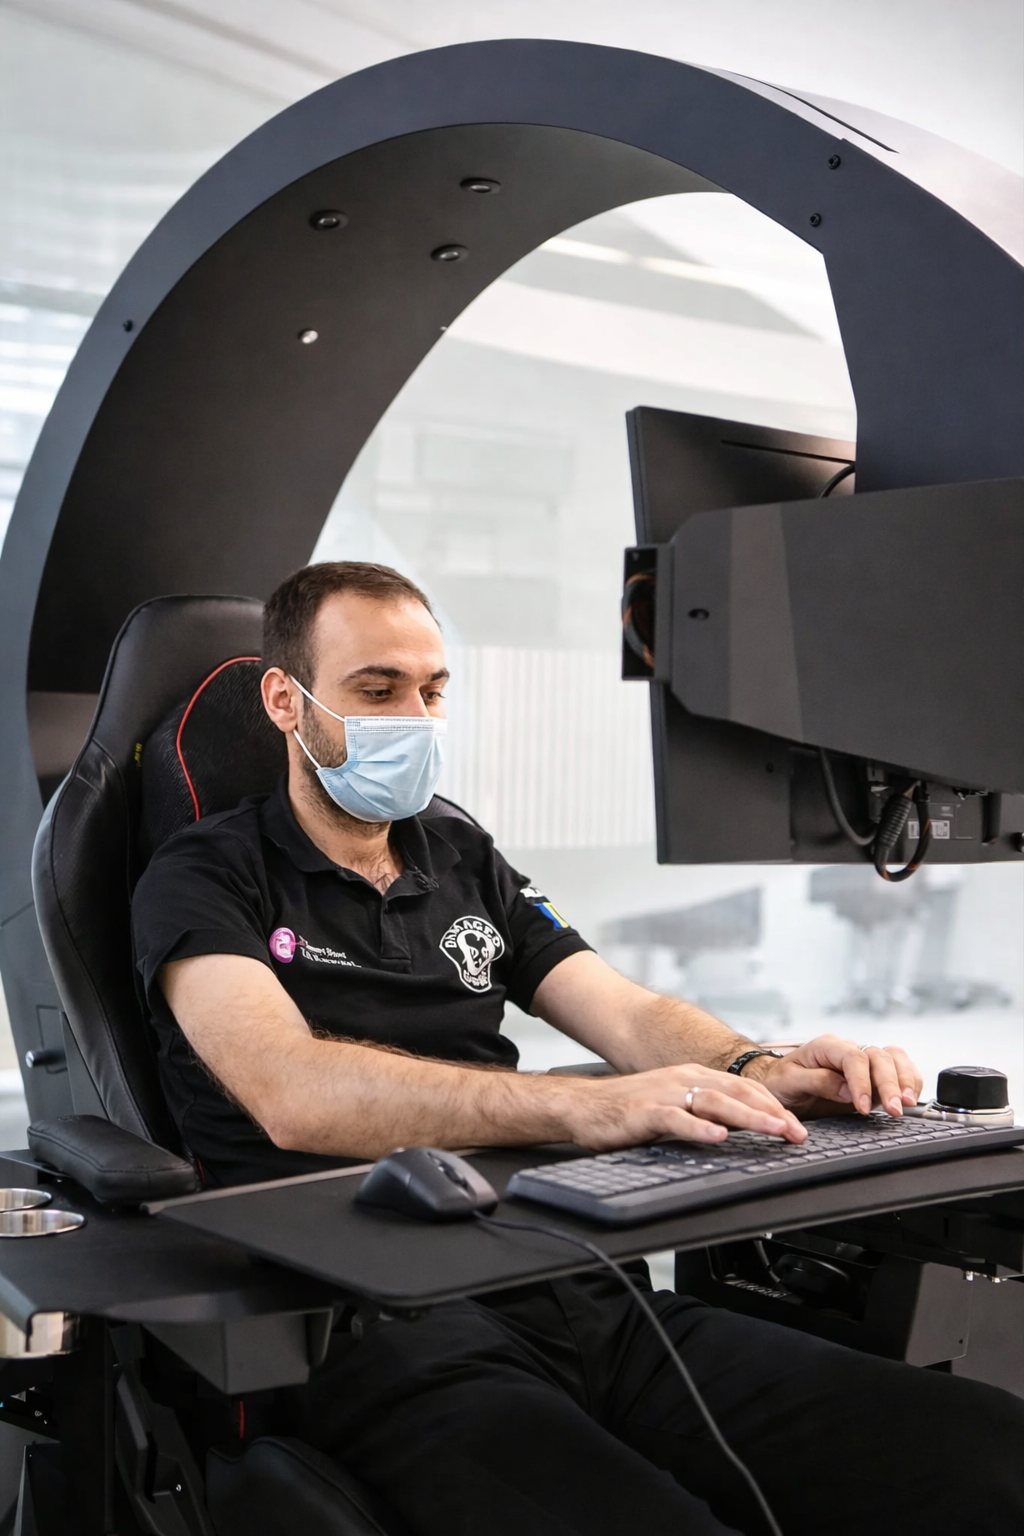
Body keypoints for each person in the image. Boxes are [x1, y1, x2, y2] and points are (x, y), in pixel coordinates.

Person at [132, 561, 1024, 1536]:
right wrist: (588, 1105)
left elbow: (623, 1011)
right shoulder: (203, 875)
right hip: (377, 1328)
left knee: (988, 1453)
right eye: (378, 691)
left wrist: (755, 1066)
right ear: (284, 701)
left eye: (432, 691)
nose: (415, 721)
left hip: (572, 1287)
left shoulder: (460, 856)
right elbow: (290, 1091)